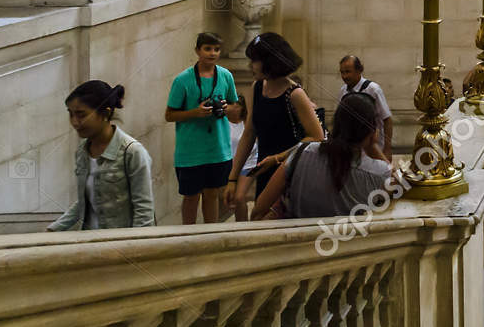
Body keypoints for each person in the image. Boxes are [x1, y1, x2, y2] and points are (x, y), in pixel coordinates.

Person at [227, 32, 324, 221]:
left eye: (255, 60)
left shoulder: (295, 94)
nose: (250, 66)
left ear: (269, 61)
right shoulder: (256, 87)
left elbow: (317, 137)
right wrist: (232, 179)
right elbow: (249, 134)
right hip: (265, 170)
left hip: (291, 171)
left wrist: (278, 158)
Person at [254, 92, 393, 220]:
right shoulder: (380, 174)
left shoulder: (302, 152)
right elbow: (400, 183)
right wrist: (372, 145)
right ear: (372, 130)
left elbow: (259, 210)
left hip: (297, 243)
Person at [49, 81, 155, 231]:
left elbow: (144, 212)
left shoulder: (132, 152)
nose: (74, 122)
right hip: (89, 243)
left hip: (120, 246)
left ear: (105, 113)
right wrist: (52, 230)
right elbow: (84, 202)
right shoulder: (82, 151)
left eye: (81, 115)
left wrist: (133, 248)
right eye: (71, 114)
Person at [165, 32, 244, 225]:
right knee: (191, 197)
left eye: (216, 49)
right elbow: (169, 115)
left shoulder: (225, 76)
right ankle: (188, 236)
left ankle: (211, 236)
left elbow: (236, 109)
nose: (212, 53)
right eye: (207, 49)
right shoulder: (183, 80)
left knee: (211, 194)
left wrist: (226, 109)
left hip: (218, 150)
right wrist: (195, 113)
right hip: (190, 152)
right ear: (197, 51)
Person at [338, 54, 393, 163]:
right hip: (352, 150)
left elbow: (387, 119)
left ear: (359, 70)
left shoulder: (373, 89)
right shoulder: (343, 91)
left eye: (348, 71)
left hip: (375, 149)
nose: (344, 76)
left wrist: (387, 149)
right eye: (342, 72)